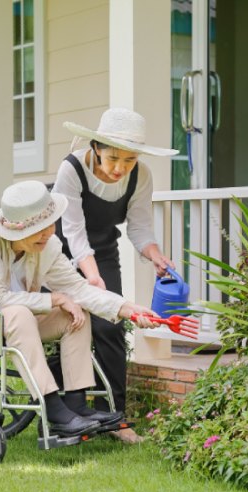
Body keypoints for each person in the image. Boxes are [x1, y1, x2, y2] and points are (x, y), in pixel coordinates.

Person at [0, 180, 159, 438]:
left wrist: (129, 309)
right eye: (38, 228)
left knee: (75, 313)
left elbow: (79, 289)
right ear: (16, 231)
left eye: (50, 224)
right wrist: (54, 299)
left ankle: (76, 404)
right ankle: (53, 409)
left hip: (13, 316)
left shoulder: (47, 245)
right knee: (22, 313)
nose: (48, 233)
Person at [52, 107, 178, 443]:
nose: (120, 168)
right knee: (71, 323)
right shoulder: (72, 169)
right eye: (113, 159)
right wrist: (91, 278)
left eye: (130, 160)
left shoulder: (141, 176)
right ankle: (67, 411)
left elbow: (139, 226)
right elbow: (74, 230)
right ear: (95, 147)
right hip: (59, 253)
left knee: (110, 328)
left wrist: (155, 255)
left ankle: (115, 419)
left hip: (104, 251)